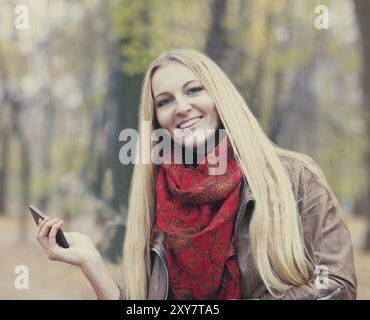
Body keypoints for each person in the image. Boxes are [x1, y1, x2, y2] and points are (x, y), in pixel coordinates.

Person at [37, 49, 357, 300]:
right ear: (158, 118)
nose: (181, 107)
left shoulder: (295, 177)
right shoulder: (155, 199)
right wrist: (91, 264)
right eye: (165, 101)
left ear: (219, 97)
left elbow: (338, 286)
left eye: (193, 90)